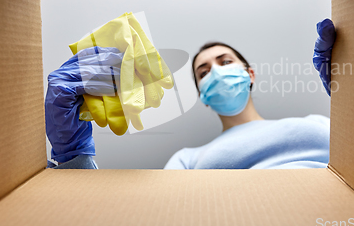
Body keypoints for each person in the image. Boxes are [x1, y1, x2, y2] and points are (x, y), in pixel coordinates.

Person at [45, 19, 336, 169]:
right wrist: (74, 155)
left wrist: (353, 101)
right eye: (203, 72)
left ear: (249, 74)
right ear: (203, 95)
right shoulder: (188, 160)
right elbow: (149, 220)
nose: (217, 72)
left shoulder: (320, 122)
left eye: (225, 62)